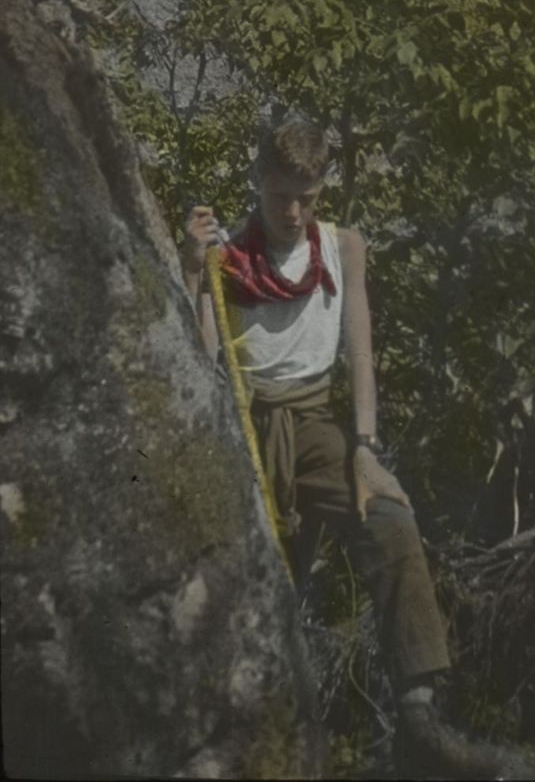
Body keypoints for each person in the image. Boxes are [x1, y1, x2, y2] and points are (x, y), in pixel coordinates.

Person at [181, 117, 509, 781]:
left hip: (318, 423)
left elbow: (360, 350)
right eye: (279, 197)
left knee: (390, 521)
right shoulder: (227, 256)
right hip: (244, 422)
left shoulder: (343, 246)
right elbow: (202, 355)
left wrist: (364, 445)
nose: (293, 212)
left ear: (321, 187)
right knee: (260, 574)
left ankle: (418, 717)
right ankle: (247, 743)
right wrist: (192, 275)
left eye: (306, 196)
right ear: (257, 183)